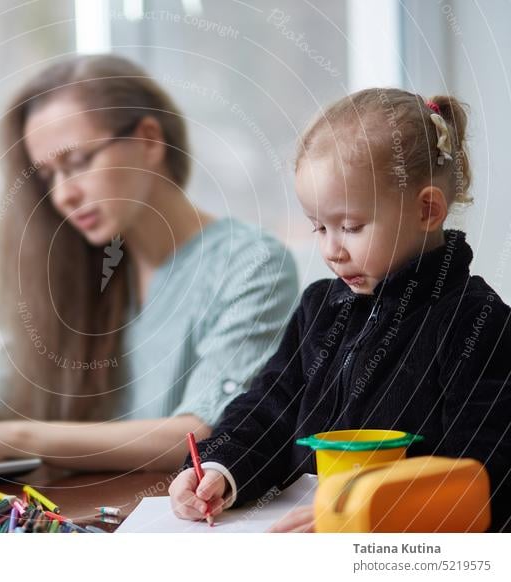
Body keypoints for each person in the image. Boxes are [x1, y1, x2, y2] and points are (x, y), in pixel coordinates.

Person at [0, 54, 297, 472]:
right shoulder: (89, 269)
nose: (62, 196)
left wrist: (6, 438)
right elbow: (1, 390)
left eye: (77, 162)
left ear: (150, 139)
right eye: (48, 176)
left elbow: (198, 436)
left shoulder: (253, 265)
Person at [169, 88, 511, 532]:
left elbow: (486, 471)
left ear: (427, 210)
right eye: (319, 227)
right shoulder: (321, 307)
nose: (332, 249)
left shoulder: (477, 323)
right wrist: (220, 469)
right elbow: (270, 405)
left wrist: (366, 514)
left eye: (350, 227)